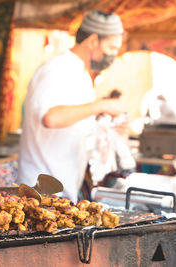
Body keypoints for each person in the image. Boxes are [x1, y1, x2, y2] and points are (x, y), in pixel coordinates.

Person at [18, 10, 127, 202]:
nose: (113, 54)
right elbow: (51, 118)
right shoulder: (58, 69)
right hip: (39, 193)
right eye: (111, 47)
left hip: (61, 188)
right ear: (93, 40)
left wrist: (105, 123)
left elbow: (74, 119)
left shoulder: (83, 75)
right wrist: (102, 105)